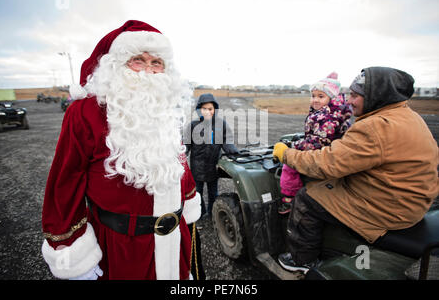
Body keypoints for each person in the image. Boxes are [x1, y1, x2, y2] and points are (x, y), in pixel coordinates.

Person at [41, 20, 202, 280]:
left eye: (156, 63)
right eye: (138, 60)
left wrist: (190, 200)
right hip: (121, 249)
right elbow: (64, 184)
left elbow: (176, 160)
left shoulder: (164, 108)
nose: (148, 72)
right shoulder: (84, 113)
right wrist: (73, 253)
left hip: (175, 242)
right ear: (116, 65)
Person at [273, 66, 439, 274]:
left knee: (307, 197)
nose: (349, 101)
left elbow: (325, 164)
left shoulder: (374, 126)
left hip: (388, 211)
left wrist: (286, 154)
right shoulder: (408, 116)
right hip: (411, 202)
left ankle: (301, 260)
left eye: (355, 95)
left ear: (375, 96)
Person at [278, 72, 352, 214]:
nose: (315, 100)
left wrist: (293, 147)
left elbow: (318, 142)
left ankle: (289, 197)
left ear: (332, 98)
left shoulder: (329, 117)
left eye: (320, 96)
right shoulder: (330, 112)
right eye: (313, 96)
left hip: (325, 153)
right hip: (330, 149)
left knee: (289, 164)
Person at [185, 93, 239, 218]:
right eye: (204, 108)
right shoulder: (193, 125)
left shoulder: (221, 124)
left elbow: (227, 140)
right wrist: (182, 153)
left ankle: (212, 213)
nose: (207, 111)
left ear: (215, 109)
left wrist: (232, 151)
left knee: (213, 192)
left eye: (210, 108)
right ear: (199, 110)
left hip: (213, 165)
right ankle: (200, 212)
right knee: (197, 192)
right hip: (197, 166)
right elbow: (187, 143)